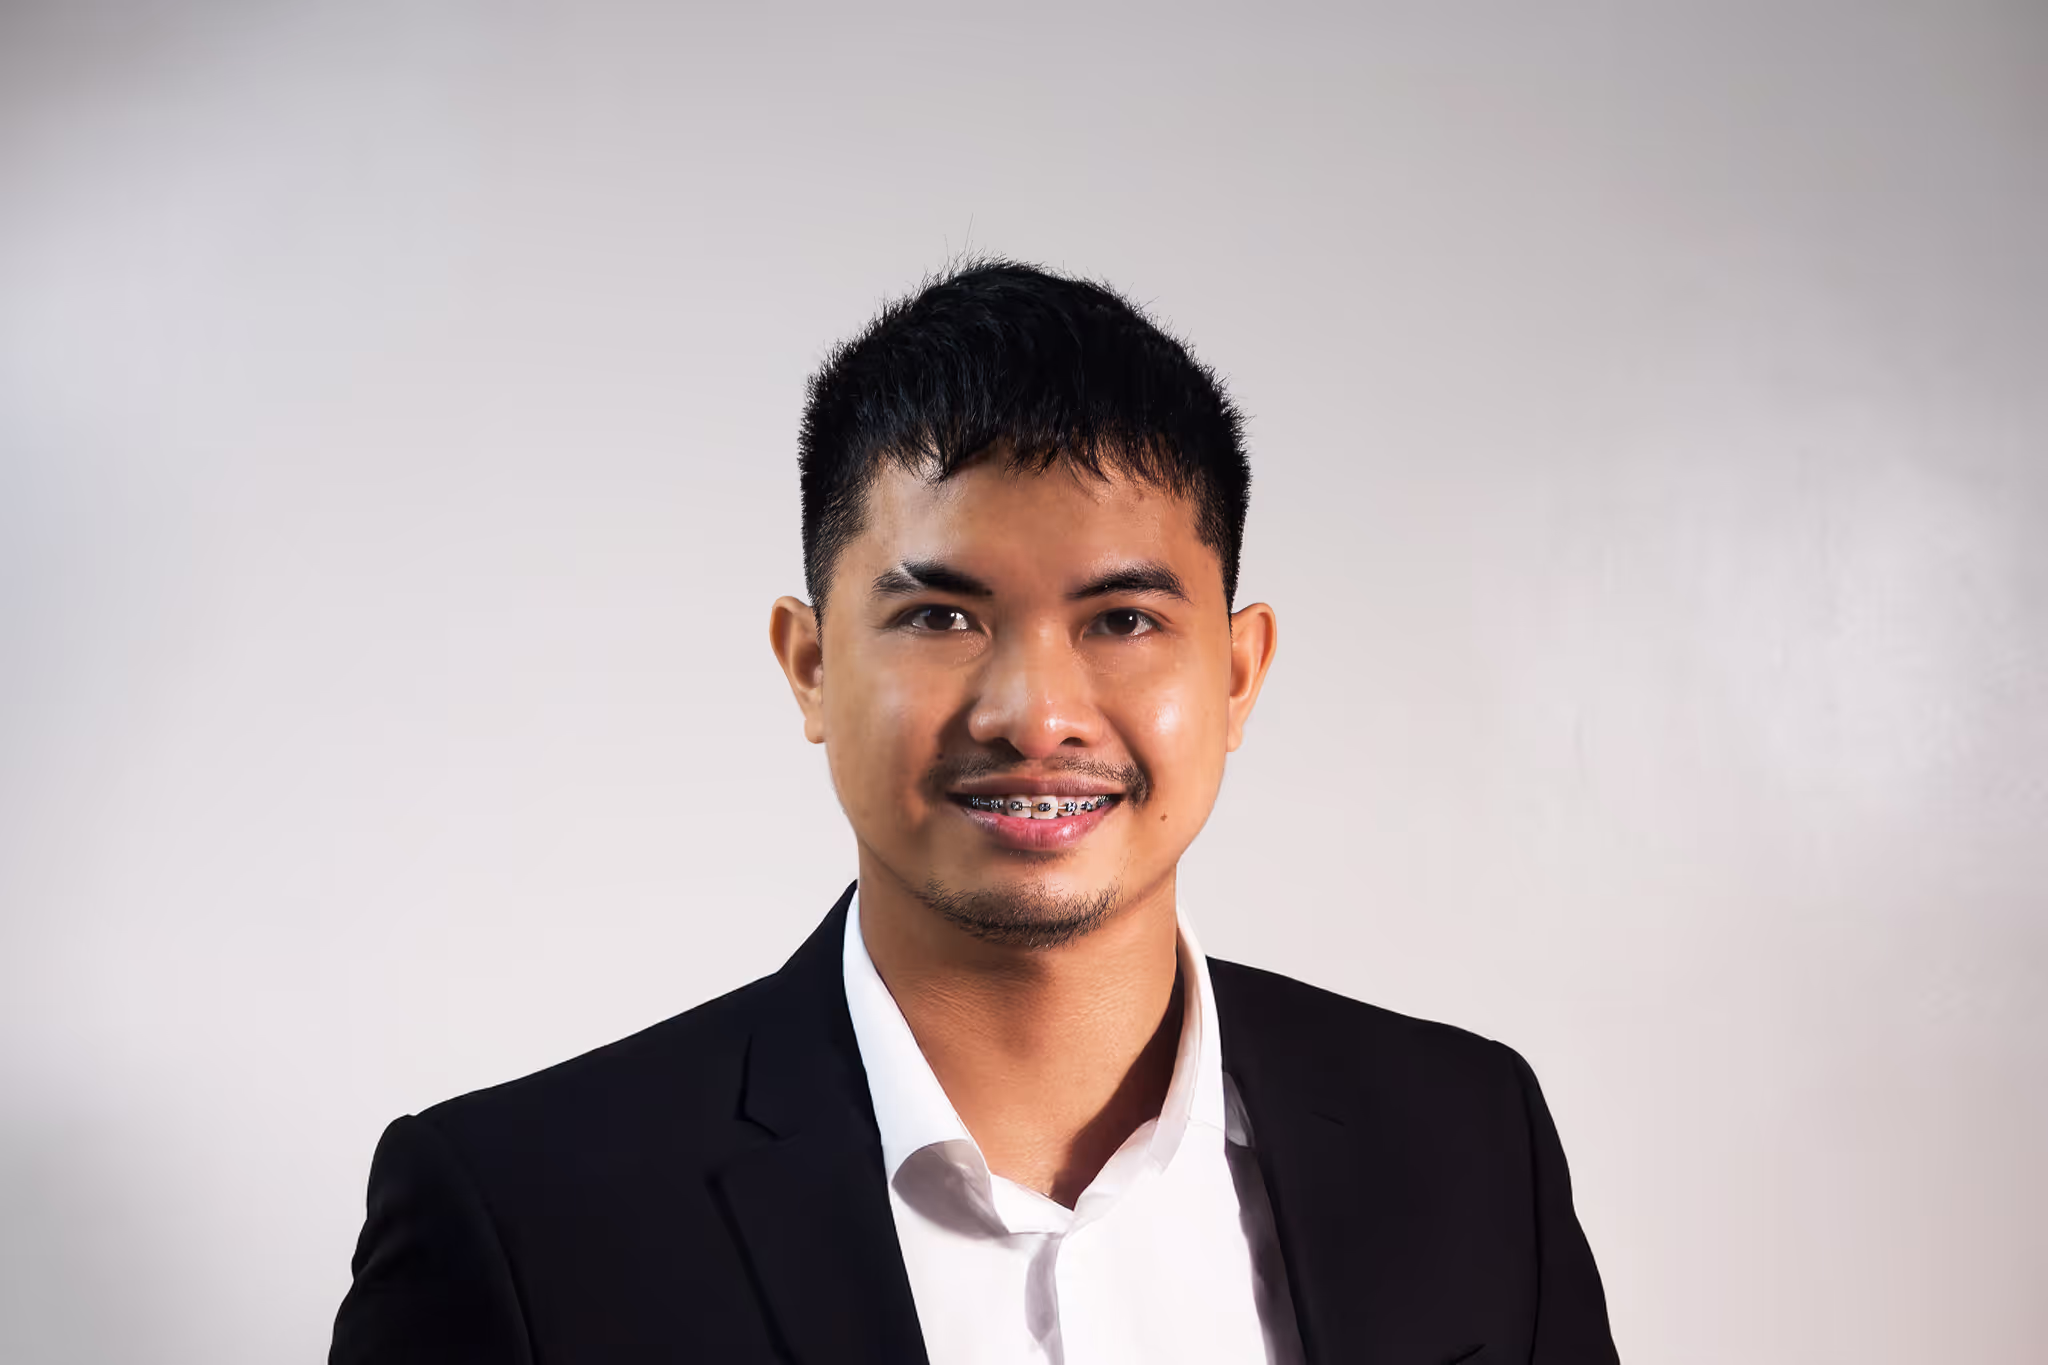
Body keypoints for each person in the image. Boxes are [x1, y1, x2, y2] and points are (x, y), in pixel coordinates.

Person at [329, 262, 1620, 1364]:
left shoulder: (1468, 1142)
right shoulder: (521, 1214)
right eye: (940, 615)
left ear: (1237, 675)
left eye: (1124, 619)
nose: (1035, 714)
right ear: (810, 666)